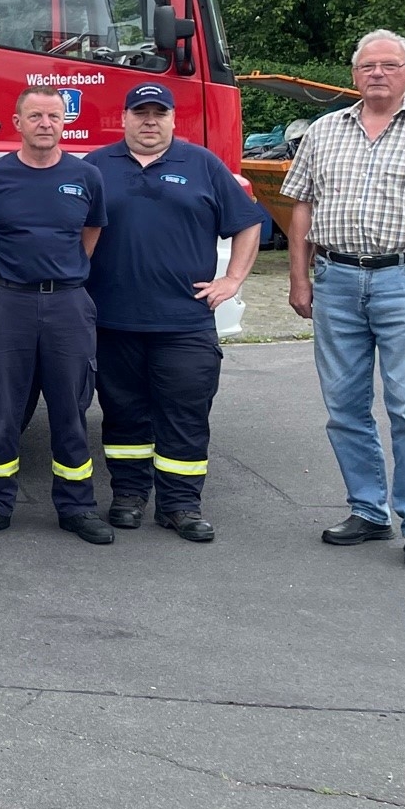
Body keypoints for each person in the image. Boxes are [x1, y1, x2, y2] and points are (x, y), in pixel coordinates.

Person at [283, 29, 405, 571]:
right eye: (368, 65)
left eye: (389, 65)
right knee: (345, 408)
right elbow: (300, 209)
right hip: (337, 283)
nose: (377, 73)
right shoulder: (325, 131)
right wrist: (298, 278)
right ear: (354, 75)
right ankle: (368, 511)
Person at [85, 83, 266, 542]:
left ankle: (180, 504)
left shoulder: (202, 164)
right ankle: (127, 496)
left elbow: (248, 223)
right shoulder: (95, 167)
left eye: (158, 113)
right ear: (123, 118)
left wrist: (233, 281)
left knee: (184, 414)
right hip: (112, 319)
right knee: (123, 414)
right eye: (140, 112)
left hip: (184, 322)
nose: (149, 121)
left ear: (172, 119)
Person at [0, 86, 111, 545]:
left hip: (67, 303)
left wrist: (59, 274)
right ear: (17, 122)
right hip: (8, 303)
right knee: (2, 408)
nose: (46, 124)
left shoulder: (86, 176)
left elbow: (91, 232)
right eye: (36, 116)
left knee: (71, 409)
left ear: (64, 122)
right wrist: (12, 270)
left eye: (54, 116)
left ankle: (77, 507)